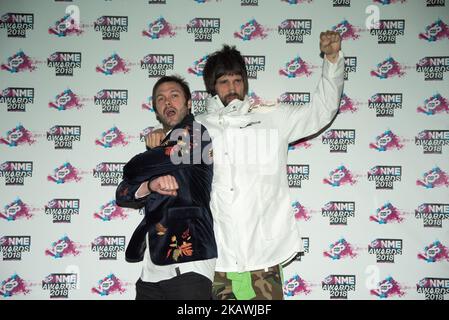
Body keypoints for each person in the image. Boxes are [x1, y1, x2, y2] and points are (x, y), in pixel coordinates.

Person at [147, 31, 344, 300]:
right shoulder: (197, 127)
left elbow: (323, 109)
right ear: (212, 87)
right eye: (224, 81)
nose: (232, 88)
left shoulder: (273, 118)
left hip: (266, 256)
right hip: (217, 259)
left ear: (245, 84)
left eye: (238, 80)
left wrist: (332, 60)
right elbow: (167, 168)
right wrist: (158, 139)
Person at [115, 75, 217, 300]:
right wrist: (150, 185)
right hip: (151, 271)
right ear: (155, 109)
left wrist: (147, 155)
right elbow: (122, 192)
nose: (167, 102)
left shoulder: (196, 136)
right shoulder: (163, 143)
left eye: (174, 96)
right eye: (160, 99)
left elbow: (132, 169)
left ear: (189, 102)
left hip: (189, 263)